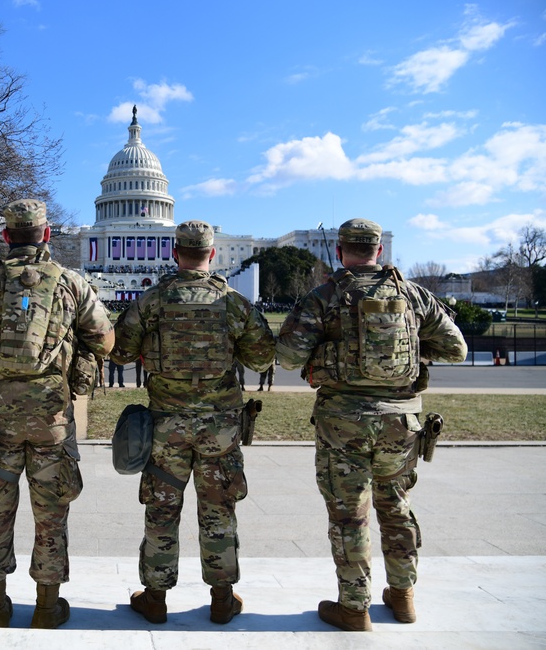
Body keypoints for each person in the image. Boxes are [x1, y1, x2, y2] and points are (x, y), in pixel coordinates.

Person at [275, 218, 467, 632]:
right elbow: (456, 348)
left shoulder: (324, 297)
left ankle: (354, 607)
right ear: (379, 252)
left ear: (341, 251)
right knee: (395, 507)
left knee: (350, 516)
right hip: (401, 421)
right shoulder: (413, 295)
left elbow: (288, 357)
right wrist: (413, 352)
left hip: (343, 424)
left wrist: (326, 356)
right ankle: (402, 597)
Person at [0, 199, 114, 629]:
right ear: (47, 234)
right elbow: (105, 340)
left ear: (6, 236)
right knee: (51, 513)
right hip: (51, 418)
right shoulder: (71, 284)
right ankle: (46, 606)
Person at [111, 220, 276, 625]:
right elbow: (261, 358)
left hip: (168, 425)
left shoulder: (153, 300)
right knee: (218, 510)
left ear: (174, 253)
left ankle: (155, 597)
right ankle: (222, 598)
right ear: (212, 254)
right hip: (218, 427)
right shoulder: (233, 302)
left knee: (162, 510)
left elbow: (120, 352)